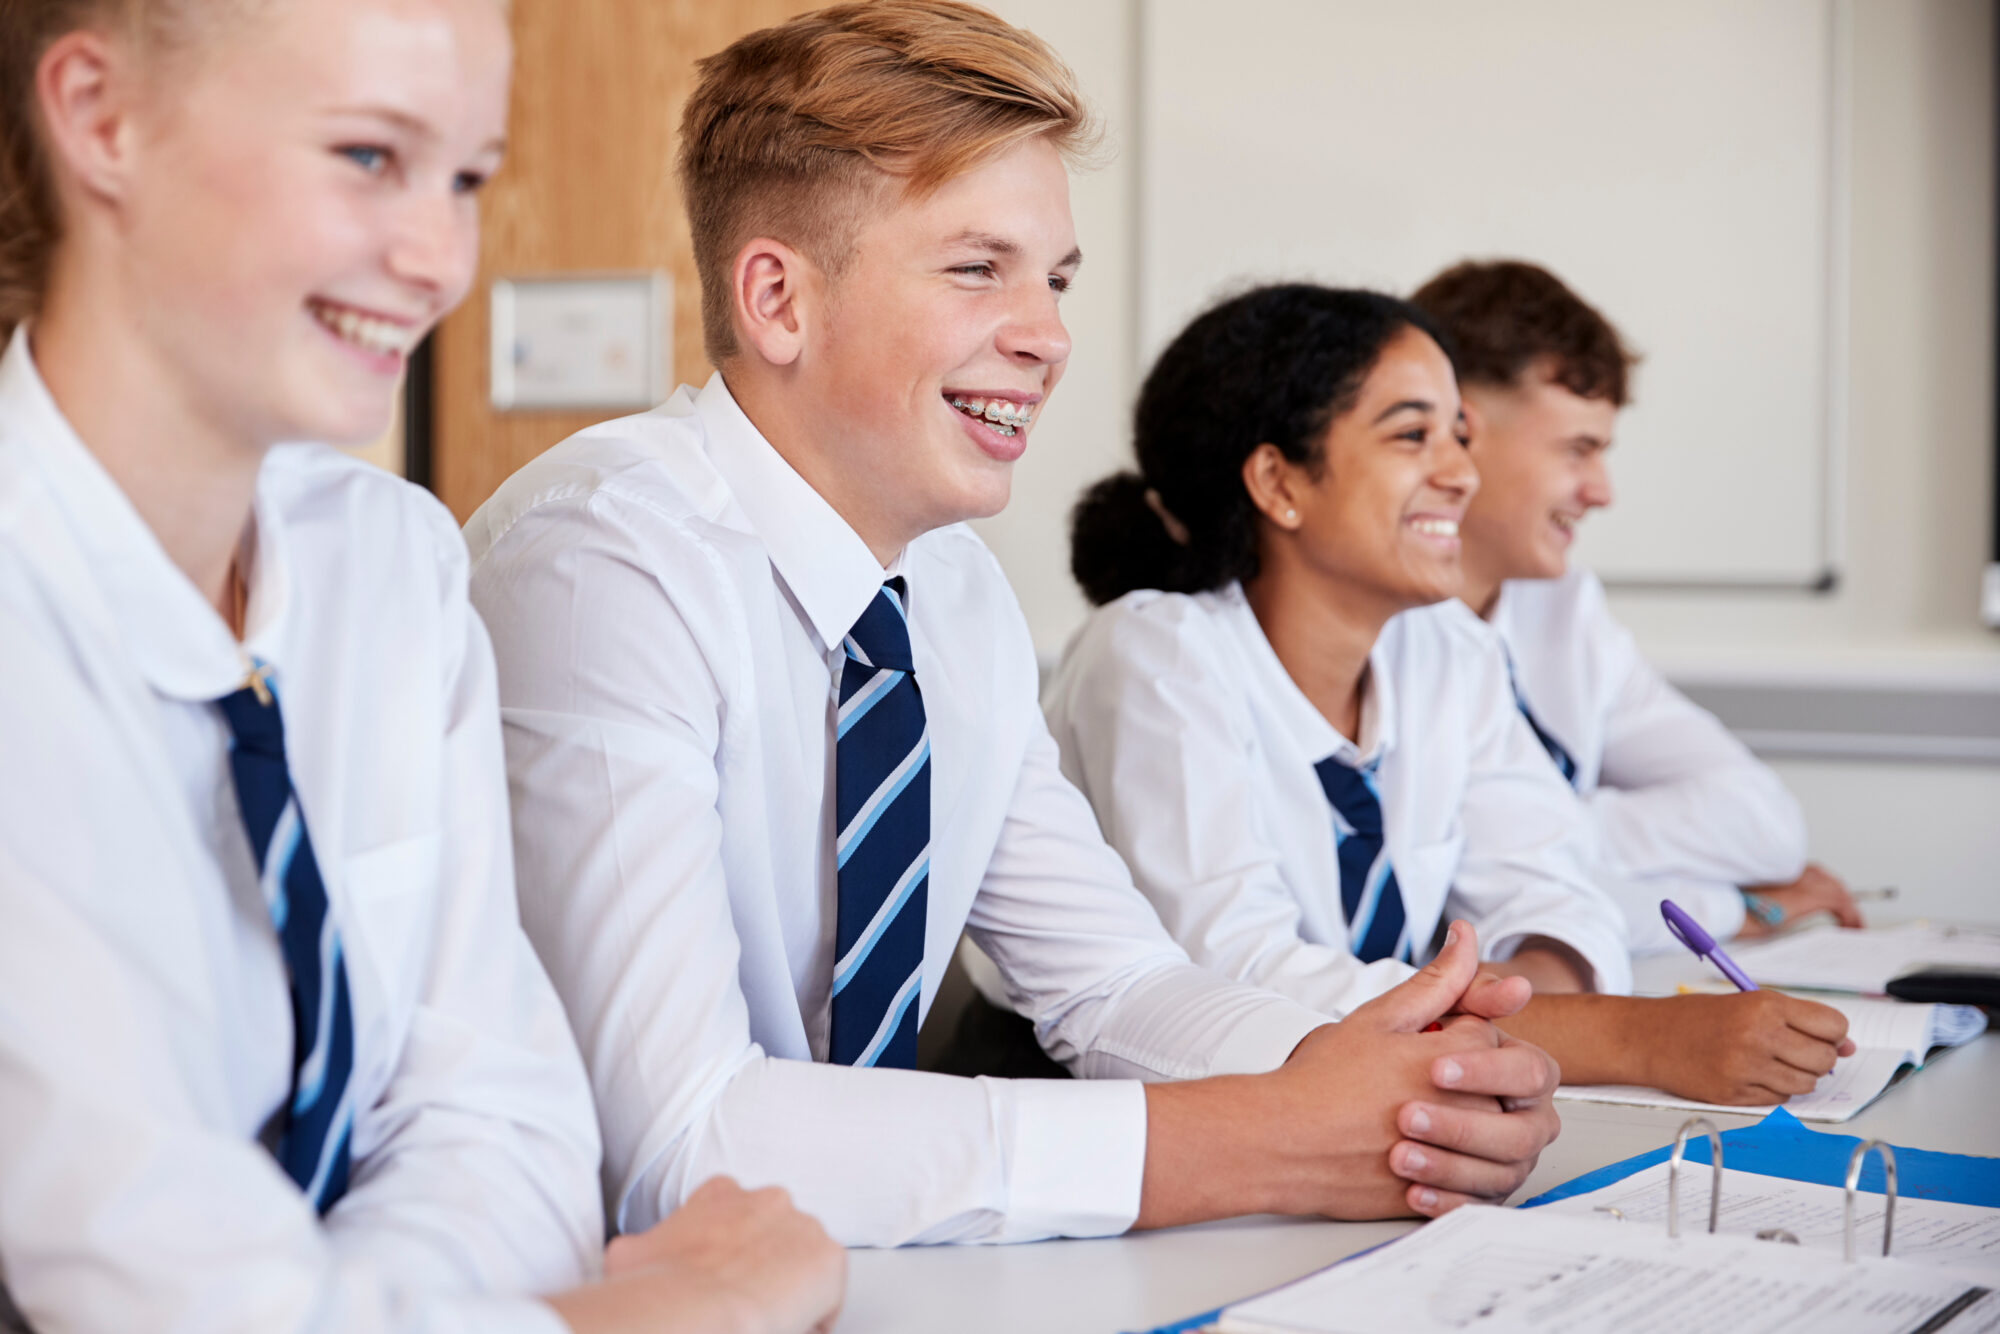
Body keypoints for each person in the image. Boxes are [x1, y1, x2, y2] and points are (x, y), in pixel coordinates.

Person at [465, 0, 1563, 1249]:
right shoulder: (602, 557)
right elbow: (683, 1139)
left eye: (1054, 280)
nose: (1047, 337)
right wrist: (1262, 1133)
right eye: (977, 268)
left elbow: (1110, 982)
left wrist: (1399, 1083)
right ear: (777, 298)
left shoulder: (953, 592)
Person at [0, 1, 843, 1330]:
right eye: (367, 158)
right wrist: (692, 1309)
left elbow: (508, 1128)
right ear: (102, 119)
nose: (441, 257)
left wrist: (350, 1309)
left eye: (465, 178)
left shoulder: (387, 565)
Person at [1046, 283, 1853, 1107]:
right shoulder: (1156, 654)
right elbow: (1236, 980)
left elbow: (1556, 891)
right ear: (1278, 482)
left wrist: (1498, 1016)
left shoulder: (1446, 649)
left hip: (1388, 1098)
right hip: (1140, 1117)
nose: (1462, 474)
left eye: (1461, 437)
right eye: (1413, 435)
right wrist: (1623, 1038)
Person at [1408, 260, 1863, 952]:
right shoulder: (1374, 625)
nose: (1601, 491)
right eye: (1578, 450)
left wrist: (1544, 831)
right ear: (1458, 432)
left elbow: (1766, 825)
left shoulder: (1563, 609)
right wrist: (1728, 909)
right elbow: (1460, 917)